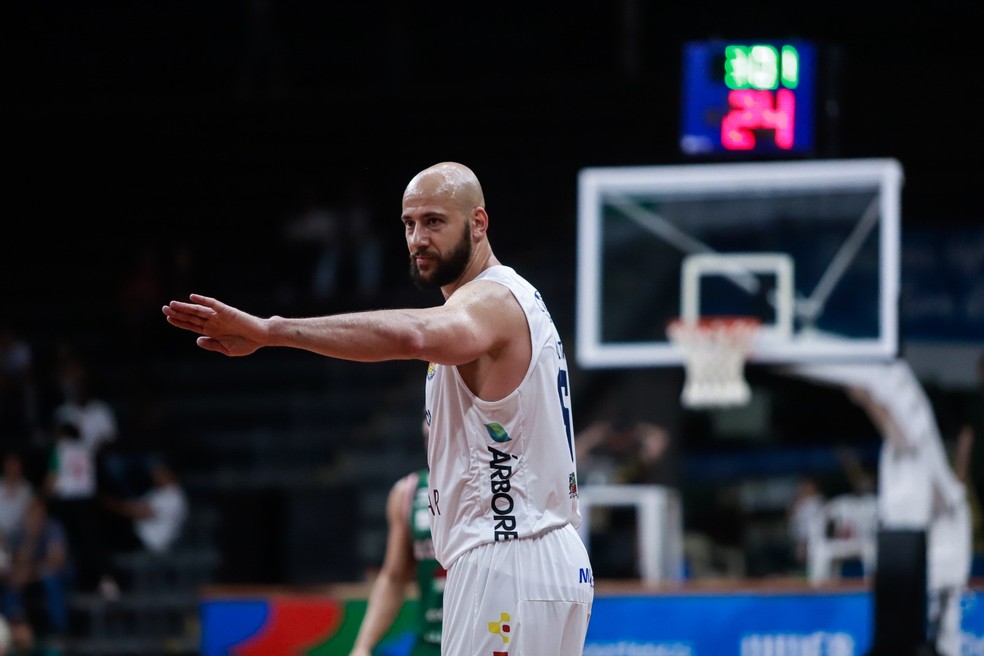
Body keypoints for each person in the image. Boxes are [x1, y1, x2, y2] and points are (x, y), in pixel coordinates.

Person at [163, 161, 594, 654]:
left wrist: (272, 331)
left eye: (434, 221)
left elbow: (413, 334)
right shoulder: (512, 299)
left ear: (479, 223)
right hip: (544, 557)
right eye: (409, 224)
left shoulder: (489, 301)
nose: (417, 239)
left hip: (509, 559)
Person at [350, 421, 444, 656]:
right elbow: (394, 578)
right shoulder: (409, 492)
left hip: (487, 640)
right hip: (430, 643)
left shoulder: (500, 487)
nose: (428, 424)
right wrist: (363, 646)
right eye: (427, 415)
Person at [0, 495, 70, 639]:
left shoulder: (53, 527)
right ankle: (15, 629)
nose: (36, 517)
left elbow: (56, 561)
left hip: (53, 576)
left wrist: (31, 573)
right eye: (32, 513)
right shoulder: (19, 531)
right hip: (29, 577)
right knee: (13, 582)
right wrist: (31, 538)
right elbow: (17, 562)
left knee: (50, 578)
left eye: (39, 513)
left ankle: (59, 630)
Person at [101, 458, 188, 556]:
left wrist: (107, 503)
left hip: (149, 546)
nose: (156, 474)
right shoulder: (161, 491)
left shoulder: (173, 497)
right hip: (138, 537)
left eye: (161, 472)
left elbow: (137, 512)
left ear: (170, 475)